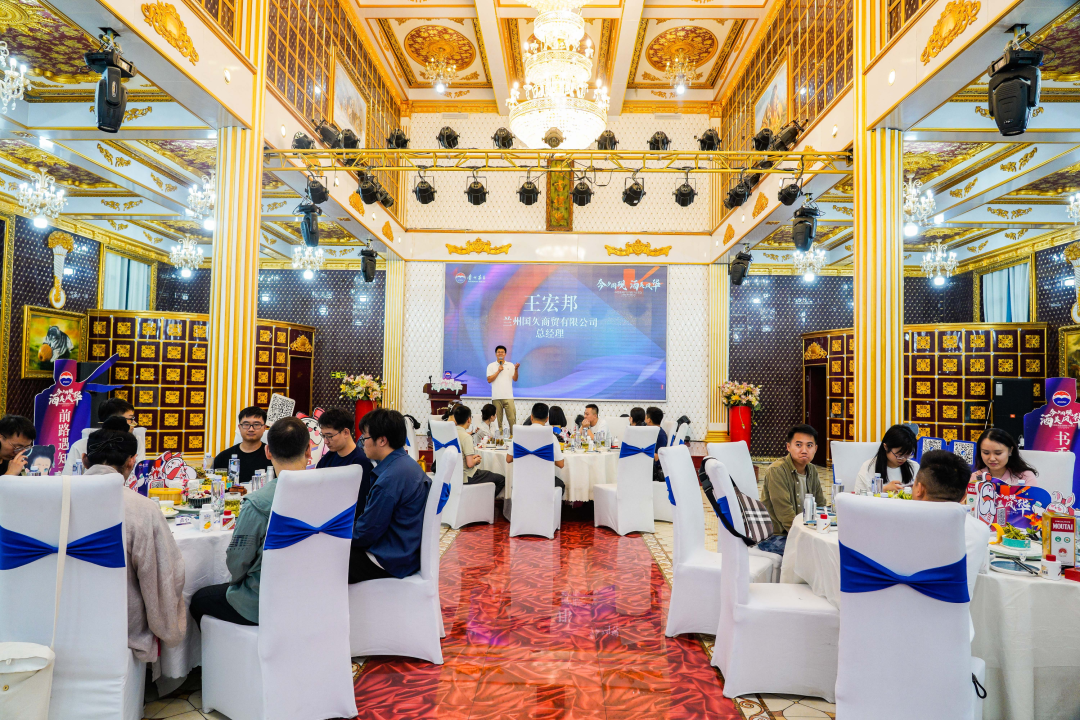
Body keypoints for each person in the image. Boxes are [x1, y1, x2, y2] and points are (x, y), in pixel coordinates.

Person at [79, 418, 187, 661]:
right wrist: (169, 629)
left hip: (55, 615)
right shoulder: (141, 508)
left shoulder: (53, 500)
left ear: (85, 460)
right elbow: (163, 576)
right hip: (119, 623)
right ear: (131, 462)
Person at [189, 417, 311, 626]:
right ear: (308, 450)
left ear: (268, 452)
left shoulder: (258, 503)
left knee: (199, 599)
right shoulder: (330, 492)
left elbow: (237, 561)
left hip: (264, 601)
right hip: (314, 594)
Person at [351, 408, 431, 584]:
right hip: (405, 551)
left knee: (325, 557)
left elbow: (366, 533)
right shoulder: (407, 464)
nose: (362, 444)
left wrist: (333, 533)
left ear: (382, 440)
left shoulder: (389, 479)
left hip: (389, 558)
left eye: (365, 438)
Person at [913, 449, 990, 629]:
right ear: (964, 497)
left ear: (919, 489)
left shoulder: (898, 523)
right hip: (954, 632)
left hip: (894, 629)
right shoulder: (980, 530)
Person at [758, 425, 827, 556]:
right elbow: (785, 515)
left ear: (815, 449)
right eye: (798, 445)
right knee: (816, 553)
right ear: (788, 447)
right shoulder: (777, 470)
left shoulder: (812, 470)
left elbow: (820, 505)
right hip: (776, 536)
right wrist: (809, 538)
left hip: (802, 531)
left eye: (809, 445)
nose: (804, 450)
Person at [318, 407, 375, 513]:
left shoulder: (361, 463)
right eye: (323, 436)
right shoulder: (326, 459)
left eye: (329, 436)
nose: (326, 441)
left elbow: (362, 503)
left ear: (346, 432)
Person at [63, 397, 136, 475]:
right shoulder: (80, 446)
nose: (134, 423)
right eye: (131, 419)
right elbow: (68, 478)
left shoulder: (134, 442)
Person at [505, 402, 565, 492]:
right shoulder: (551, 437)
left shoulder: (519, 434)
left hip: (522, 482)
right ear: (547, 419)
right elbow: (561, 464)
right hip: (544, 483)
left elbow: (508, 459)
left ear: (531, 417)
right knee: (560, 484)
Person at [453, 404, 506, 499]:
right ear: (469, 419)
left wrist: (471, 458)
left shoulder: (451, 434)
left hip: (453, 474)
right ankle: (485, 501)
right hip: (467, 476)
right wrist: (476, 460)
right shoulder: (466, 437)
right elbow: (470, 464)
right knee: (501, 479)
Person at [852, 424, 920, 494]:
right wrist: (883, 490)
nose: (903, 459)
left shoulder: (914, 467)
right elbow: (858, 496)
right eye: (899, 455)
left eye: (907, 454)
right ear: (886, 447)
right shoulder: (868, 467)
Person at [212, 406, 268, 484]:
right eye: (246, 424)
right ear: (239, 427)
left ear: (264, 428)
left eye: (256, 424)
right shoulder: (223, 457)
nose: (251, 429)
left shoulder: (273, 455)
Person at [972, 428, 1037, 486]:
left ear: (1010, 451)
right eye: (986, 453)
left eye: (998, 453)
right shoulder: (975, 477)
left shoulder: (1025, 477)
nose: (992, 458)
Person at [486, 345, 520, 434]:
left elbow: (515, 379)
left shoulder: (510, 365)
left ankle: (513, 437)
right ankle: (499, 438)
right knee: (498, 422)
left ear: (505, 354)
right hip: (496, 397)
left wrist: (516, 369)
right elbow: (489, 380)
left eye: (502, 352)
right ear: (496, 354)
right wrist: (498, 371)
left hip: (508, 397)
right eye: (498, 352)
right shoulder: (491, 366)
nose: (500, 353)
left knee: (512, 419)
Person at [645, 407, 668, 481]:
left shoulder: (660, 435)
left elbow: (658, 457)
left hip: (652, 469)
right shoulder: (652, 432)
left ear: (649, 420)